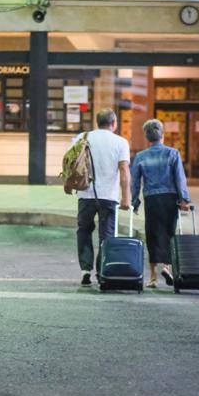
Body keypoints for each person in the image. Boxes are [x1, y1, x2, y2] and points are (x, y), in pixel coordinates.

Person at [74, 107, 131, 286]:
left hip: (85, 193)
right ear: (114, 124)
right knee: (106, 235)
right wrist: (126, 197)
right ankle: (102, 272)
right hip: (109, 196)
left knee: (84, 231)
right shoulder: (120, 142)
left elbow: (72, 163)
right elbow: (124, 170)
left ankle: (85, 269)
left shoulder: (82, 137)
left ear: (97, 123)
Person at [131, 118, 191, 288]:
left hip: (151, 199)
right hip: (170, 199)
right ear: (162, 135)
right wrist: (184, 199)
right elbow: (180, 179)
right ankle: (167, 268)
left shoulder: (141, 157)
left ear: (147, 137)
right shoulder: (173, 153)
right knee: (169, 233)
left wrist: (135, 202)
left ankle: (153, 278)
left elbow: (135, 182)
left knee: (153, 234)